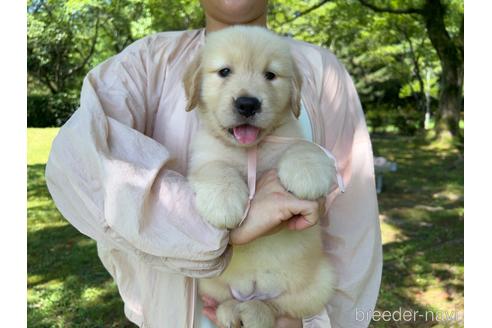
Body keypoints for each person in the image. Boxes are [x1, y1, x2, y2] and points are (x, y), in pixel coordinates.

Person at [45, 0, 382, 327]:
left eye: (269, 75)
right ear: (195, 84)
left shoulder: (321, 70)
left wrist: (315, 322)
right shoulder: (146, 62)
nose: (246, 93)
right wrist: (205, 223)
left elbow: (353, 231)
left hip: (294, 304)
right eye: (224, 72)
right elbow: (80, 165)